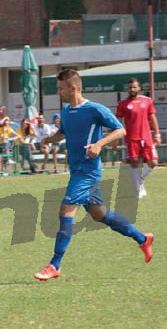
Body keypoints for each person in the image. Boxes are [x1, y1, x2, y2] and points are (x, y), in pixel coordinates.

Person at [34, 69, 154, 282]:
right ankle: (142, 238)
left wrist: (99, 144)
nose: (58, 92)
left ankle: (54, 264)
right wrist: (49, 140)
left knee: (66, 211)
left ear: (73, 88)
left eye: (61, 88)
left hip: (87, 172)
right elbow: (64, 132)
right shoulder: (66, 110)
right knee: (100, 215)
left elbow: (120, 130)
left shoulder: (95, 109)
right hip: (77, 170)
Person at [116, 78, 160, 198]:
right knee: (134, 163)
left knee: (153, 162)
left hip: (146, 137)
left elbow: (152, 118)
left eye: (134, 87)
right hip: (131, 138)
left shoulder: (147, 101)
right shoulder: (123, 104)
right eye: (130, 87)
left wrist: (157, 133)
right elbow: (117, 123)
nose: (132, 89)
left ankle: (139, 179)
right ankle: (139, 189)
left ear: (139, 88)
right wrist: (114, 139)